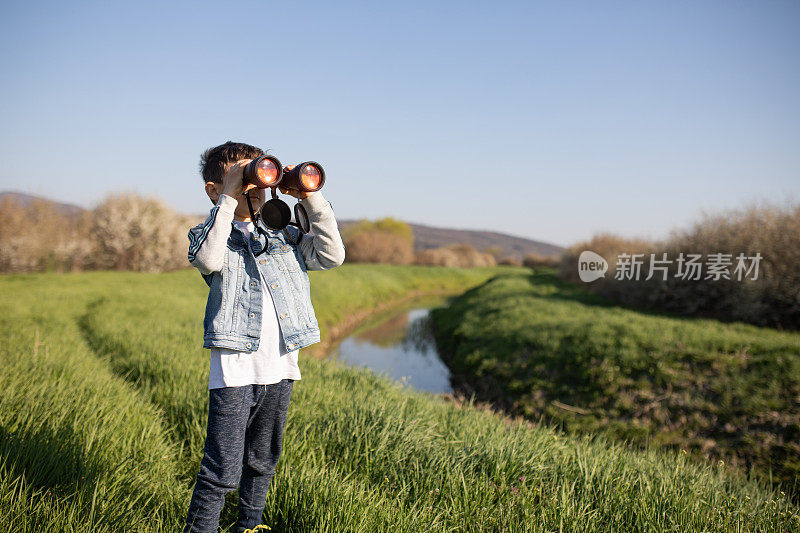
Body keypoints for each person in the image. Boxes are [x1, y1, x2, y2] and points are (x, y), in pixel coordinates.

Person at [183, 141, 346, 532]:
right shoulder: (211, 236)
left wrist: (310, 198)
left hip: (281, 366)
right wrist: (228, 196)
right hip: (236, 370)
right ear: (213, 188)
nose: (255, 185)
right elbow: (207, 259)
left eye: (257, 174)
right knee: (222, 469)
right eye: (244, 176)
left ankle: (249, 526)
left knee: (262, 461)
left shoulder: (284, 234)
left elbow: (332, 255)